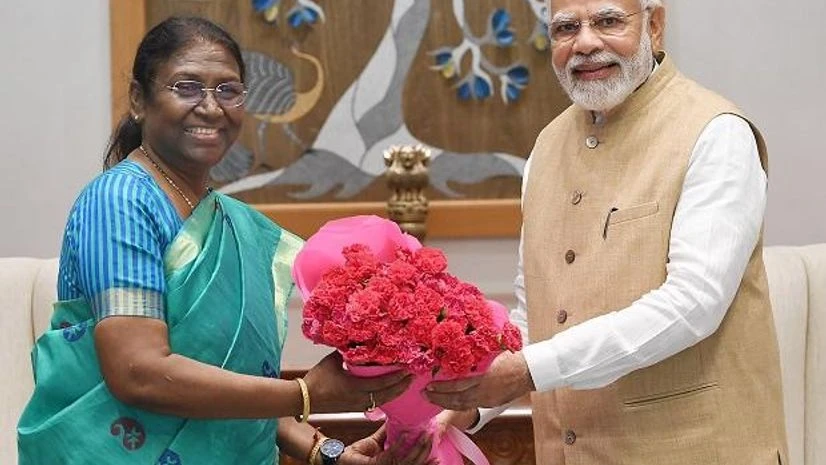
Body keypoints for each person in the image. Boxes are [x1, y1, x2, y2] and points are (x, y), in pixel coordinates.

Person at [17, 16, 434, 465]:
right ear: (139, 98)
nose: (211, 107)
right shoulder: (120, 201)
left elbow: (233, 379)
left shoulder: (233, 224)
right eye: (187, 86)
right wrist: (304, 394)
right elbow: (139, 372)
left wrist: (325, 452)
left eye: (228, 90)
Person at [426, 0, 789, 463]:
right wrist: (466, 405)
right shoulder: (545, 147)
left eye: (608, 21)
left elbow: (693, 304)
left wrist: (529, 371)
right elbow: (533, 316)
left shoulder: (716, 134)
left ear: (654, 27)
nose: (585, 43)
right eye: (566, 28)